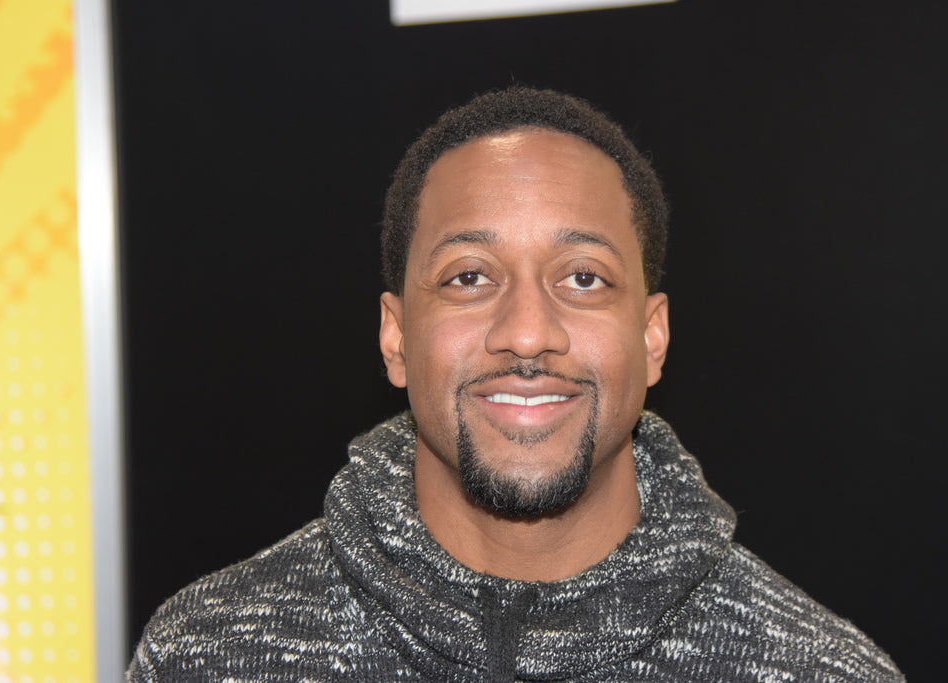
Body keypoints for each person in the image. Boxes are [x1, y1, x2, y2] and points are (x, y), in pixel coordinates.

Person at [127, 88, 902, 681]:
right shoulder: (210, 652)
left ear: (653, 335)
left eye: (583, 277)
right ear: (396, 336)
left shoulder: (816, 669)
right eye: (469, 276)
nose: (528, 332)